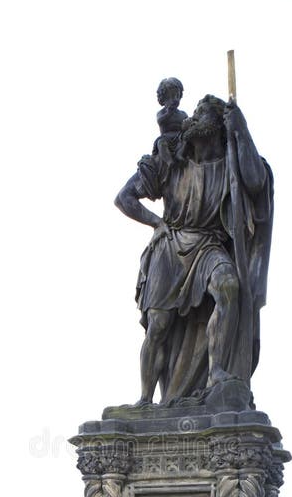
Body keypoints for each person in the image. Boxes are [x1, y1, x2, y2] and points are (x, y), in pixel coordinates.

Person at [115, 93, 273, 407]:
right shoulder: (170, 161)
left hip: (208, 245)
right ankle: (145, 400)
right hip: (170, 247)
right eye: (196, 111)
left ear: (219, 124)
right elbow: (125, 198)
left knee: (228, 288)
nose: (194, 116)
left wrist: (241, 131)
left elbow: (256, 184)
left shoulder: (233, 163)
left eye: (203, 112)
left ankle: (216, 372)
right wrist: (157, 224)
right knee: (158, 326)